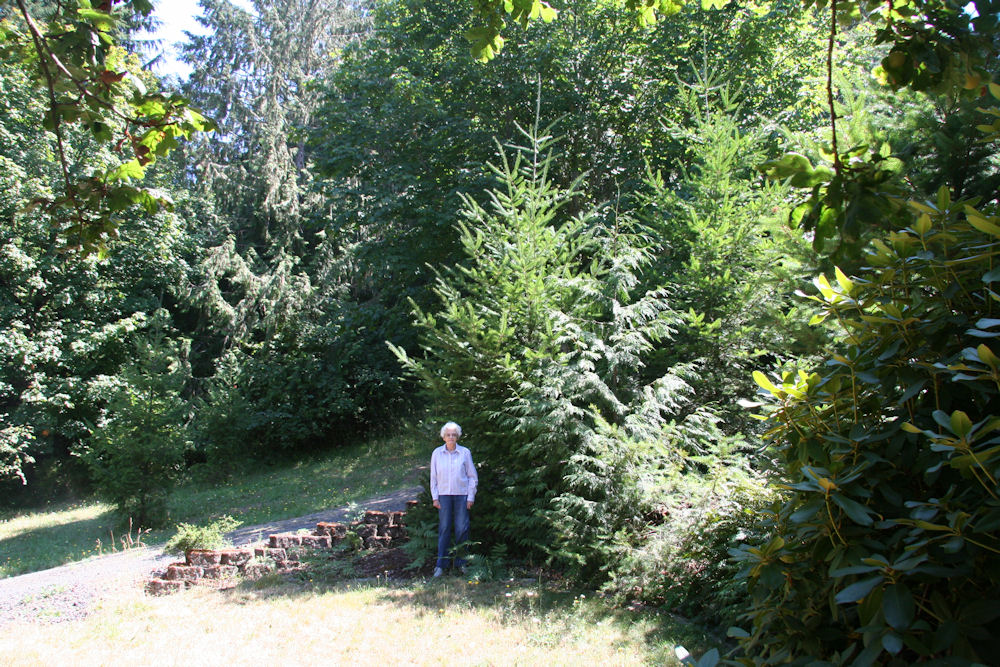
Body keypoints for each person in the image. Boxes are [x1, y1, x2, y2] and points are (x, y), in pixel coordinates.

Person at [429, 421, 478, 577]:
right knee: (444, 529)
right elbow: (433, 478)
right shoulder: (436, 453)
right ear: (443, 437)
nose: (451, 437)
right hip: (443, 496)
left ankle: (461, 564)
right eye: (448, 435)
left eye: (453, 435)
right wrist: (435, 497)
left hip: (461, 496)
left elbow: (472, 476)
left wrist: (470, 497)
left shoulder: (465, 453)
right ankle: (441, 565)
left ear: (457, 437)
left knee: (462, 530)